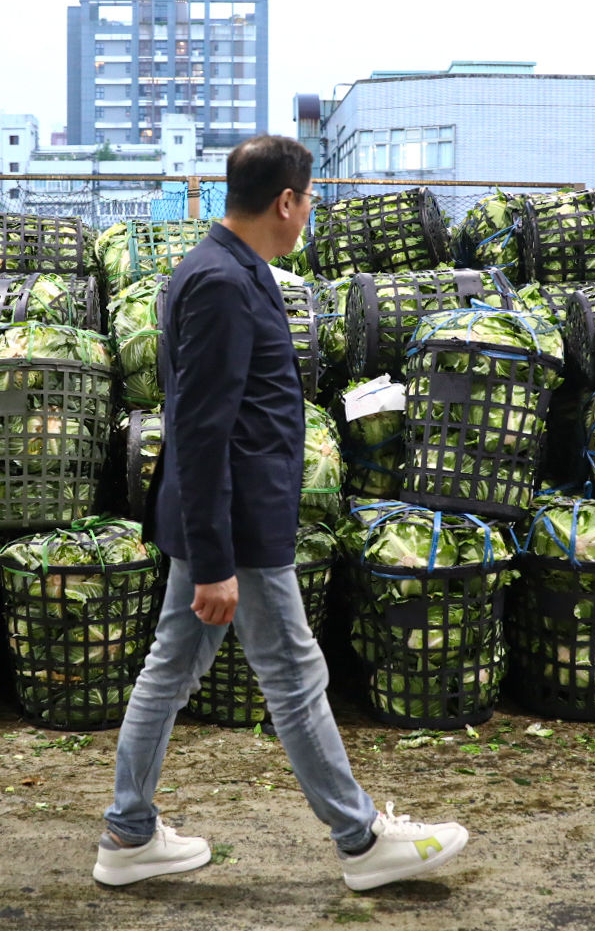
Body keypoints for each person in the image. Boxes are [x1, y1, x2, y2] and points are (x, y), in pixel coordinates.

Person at [93, 135, 469, 891]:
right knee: (294, 676)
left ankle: (130, 831)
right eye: (310, 200)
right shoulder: (221, 284)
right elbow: (200, 428)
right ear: (285, 201)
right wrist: (216, 559)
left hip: (233, 519)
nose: (311, 214)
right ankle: (361, 840)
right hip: (237, 528)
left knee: (170, 670)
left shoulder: (232, 270)